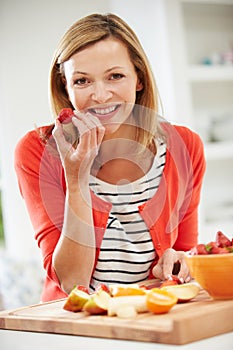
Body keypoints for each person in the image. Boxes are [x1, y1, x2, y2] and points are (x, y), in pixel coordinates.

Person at [14, 13, 206, 302]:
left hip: (152, 315)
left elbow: (185, 254)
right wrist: (77, 180)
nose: (100, 95)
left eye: (115, 76)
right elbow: (71, 282)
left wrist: (179, 260)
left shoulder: (184, 146)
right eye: (82, 81)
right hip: (76, 327)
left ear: (139, 78)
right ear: (65, 86)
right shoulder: (38, 151)